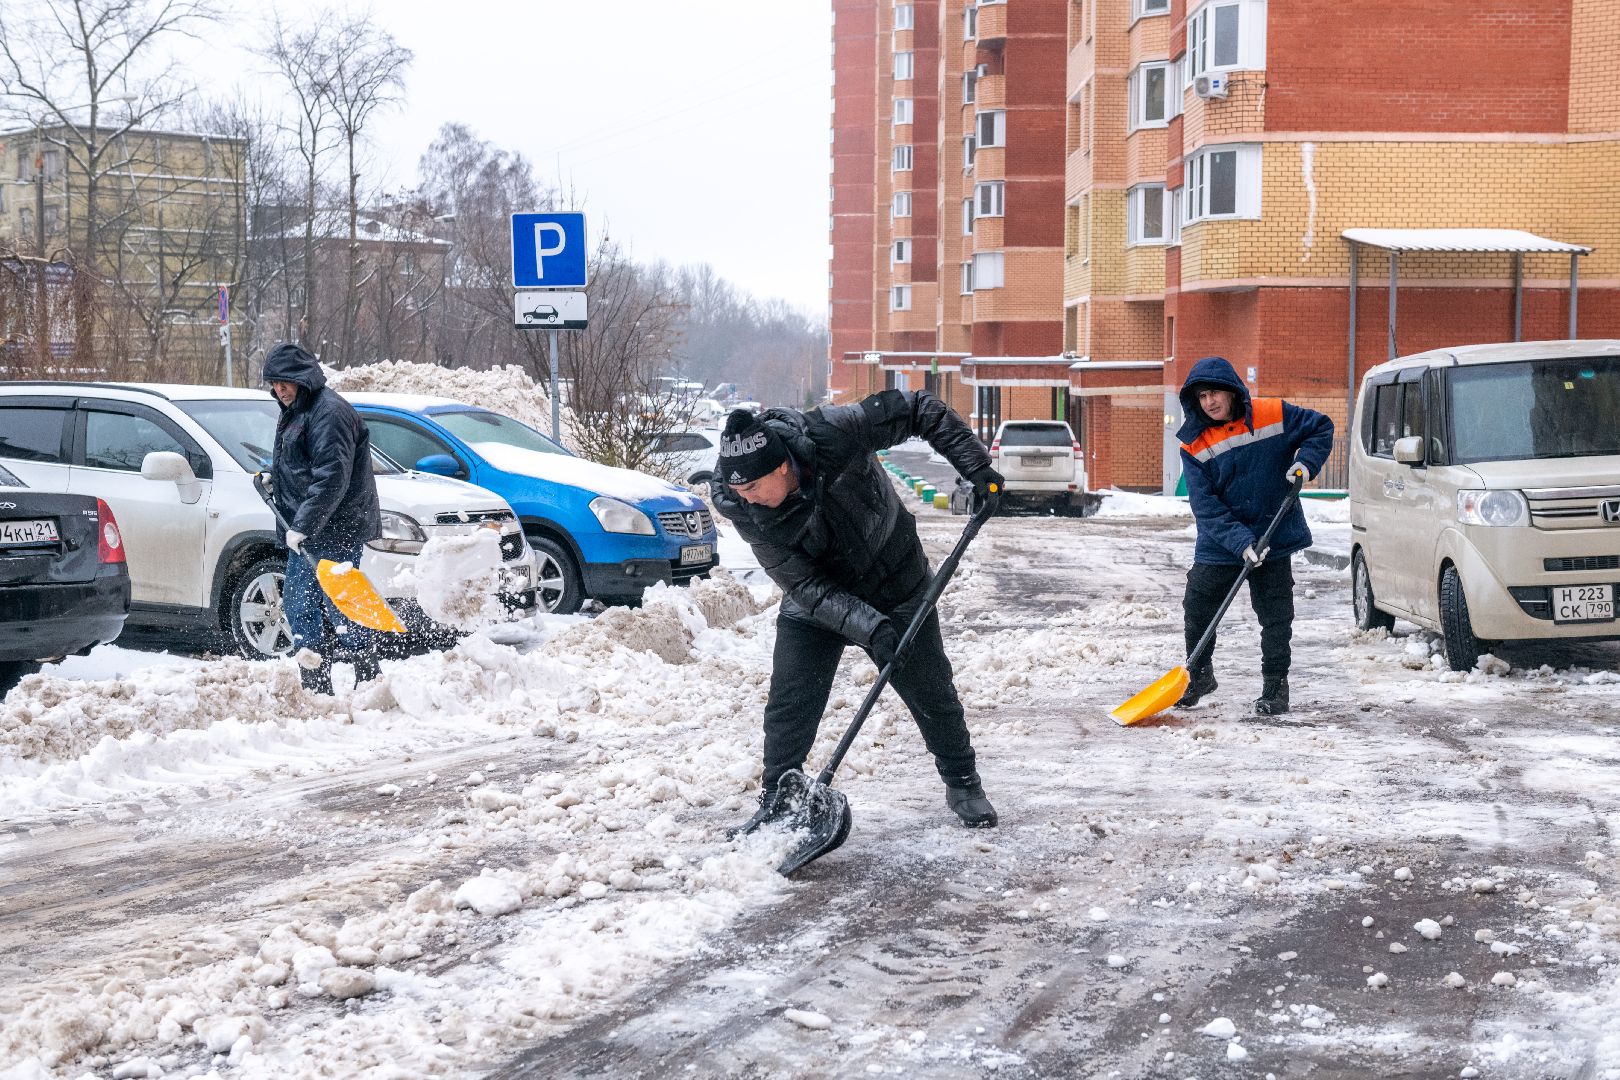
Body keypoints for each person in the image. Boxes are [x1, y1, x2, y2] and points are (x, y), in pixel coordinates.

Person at [712, 390, 1005, 829]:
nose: (746, 498)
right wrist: (871, 628)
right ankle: (777, 800)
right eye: (738, 490)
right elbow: (804, 585)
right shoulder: (743, 509)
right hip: (817, 597)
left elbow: (917, 409)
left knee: (930, 689)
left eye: (752, 487)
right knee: (790, 700)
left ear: (781, 466)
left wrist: (976, 468)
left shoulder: (833, 433)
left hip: (895, 575)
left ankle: (963, 781)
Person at [1175, 356, 1334, 716]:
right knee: (1198, 604)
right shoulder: (1194, 443)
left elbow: (1320, 427)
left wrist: (1305, 463)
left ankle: (1275, 686)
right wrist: (1240, 542)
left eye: (1214, 393)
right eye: (1202, 397)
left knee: (1276, 615)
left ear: (1231, 391)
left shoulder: (1272, 414)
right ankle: (1199, 675)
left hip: (1271, 531)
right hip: (1221, 541)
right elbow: (1205, 505)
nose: (1209, 402)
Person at [263, 342, 383, 694]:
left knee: (337, 602)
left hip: (335, 527)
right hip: (315, 526)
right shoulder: (298, 409)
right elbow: (304, 462)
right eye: (274, 383)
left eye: (285, 381)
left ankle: (368, 678)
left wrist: (302, 525)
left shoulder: (329, 412)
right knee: (303, 602)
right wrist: (275, 477)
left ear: (303, 378)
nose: (280, 389)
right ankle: (318, 683)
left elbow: (332, 477)